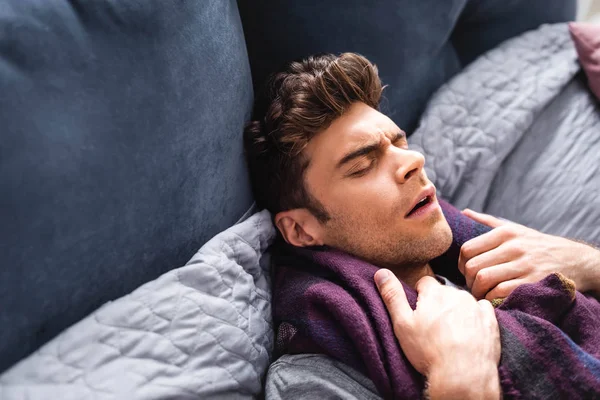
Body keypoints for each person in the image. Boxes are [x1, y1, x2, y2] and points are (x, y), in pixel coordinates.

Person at [243, 52, 600, 399]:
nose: (413, 160)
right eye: (363, 165)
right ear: (302, 230)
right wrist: (461, 377)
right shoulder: (311, 378)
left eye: (400, 143)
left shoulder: (502, 254)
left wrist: (587, 262)